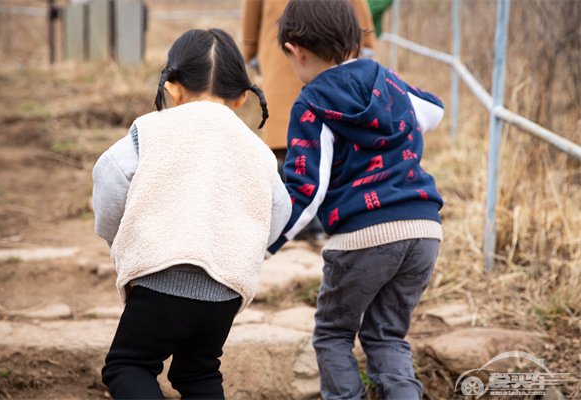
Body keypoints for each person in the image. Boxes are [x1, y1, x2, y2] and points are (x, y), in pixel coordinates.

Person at [92, 28, 291, 399]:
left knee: (129, 365)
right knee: (198, 373)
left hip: (159, 280)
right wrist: (242, 248)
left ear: (173, 86)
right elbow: (279, 210)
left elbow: (110, 179)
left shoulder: (148, 132)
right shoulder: (259, 150)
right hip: (224, 290)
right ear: (242, 98)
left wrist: (118, 235)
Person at [268, 1, 445, 399]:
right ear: (353, 40)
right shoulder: (387, 80)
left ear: (297, 51)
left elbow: (307, 193)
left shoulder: (312, 103)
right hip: (423, 229)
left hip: (363, 237)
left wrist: (268, 242)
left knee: (333, 334)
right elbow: (433, 111)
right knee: (386, 334)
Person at [241, 0, 376, 241]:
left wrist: (250, 47)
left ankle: (295, 214)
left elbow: (253, 8)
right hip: (330, 42)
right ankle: (318, 214)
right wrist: (365, 43)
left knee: (285, 129)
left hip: (283, 42)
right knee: (333, 127)